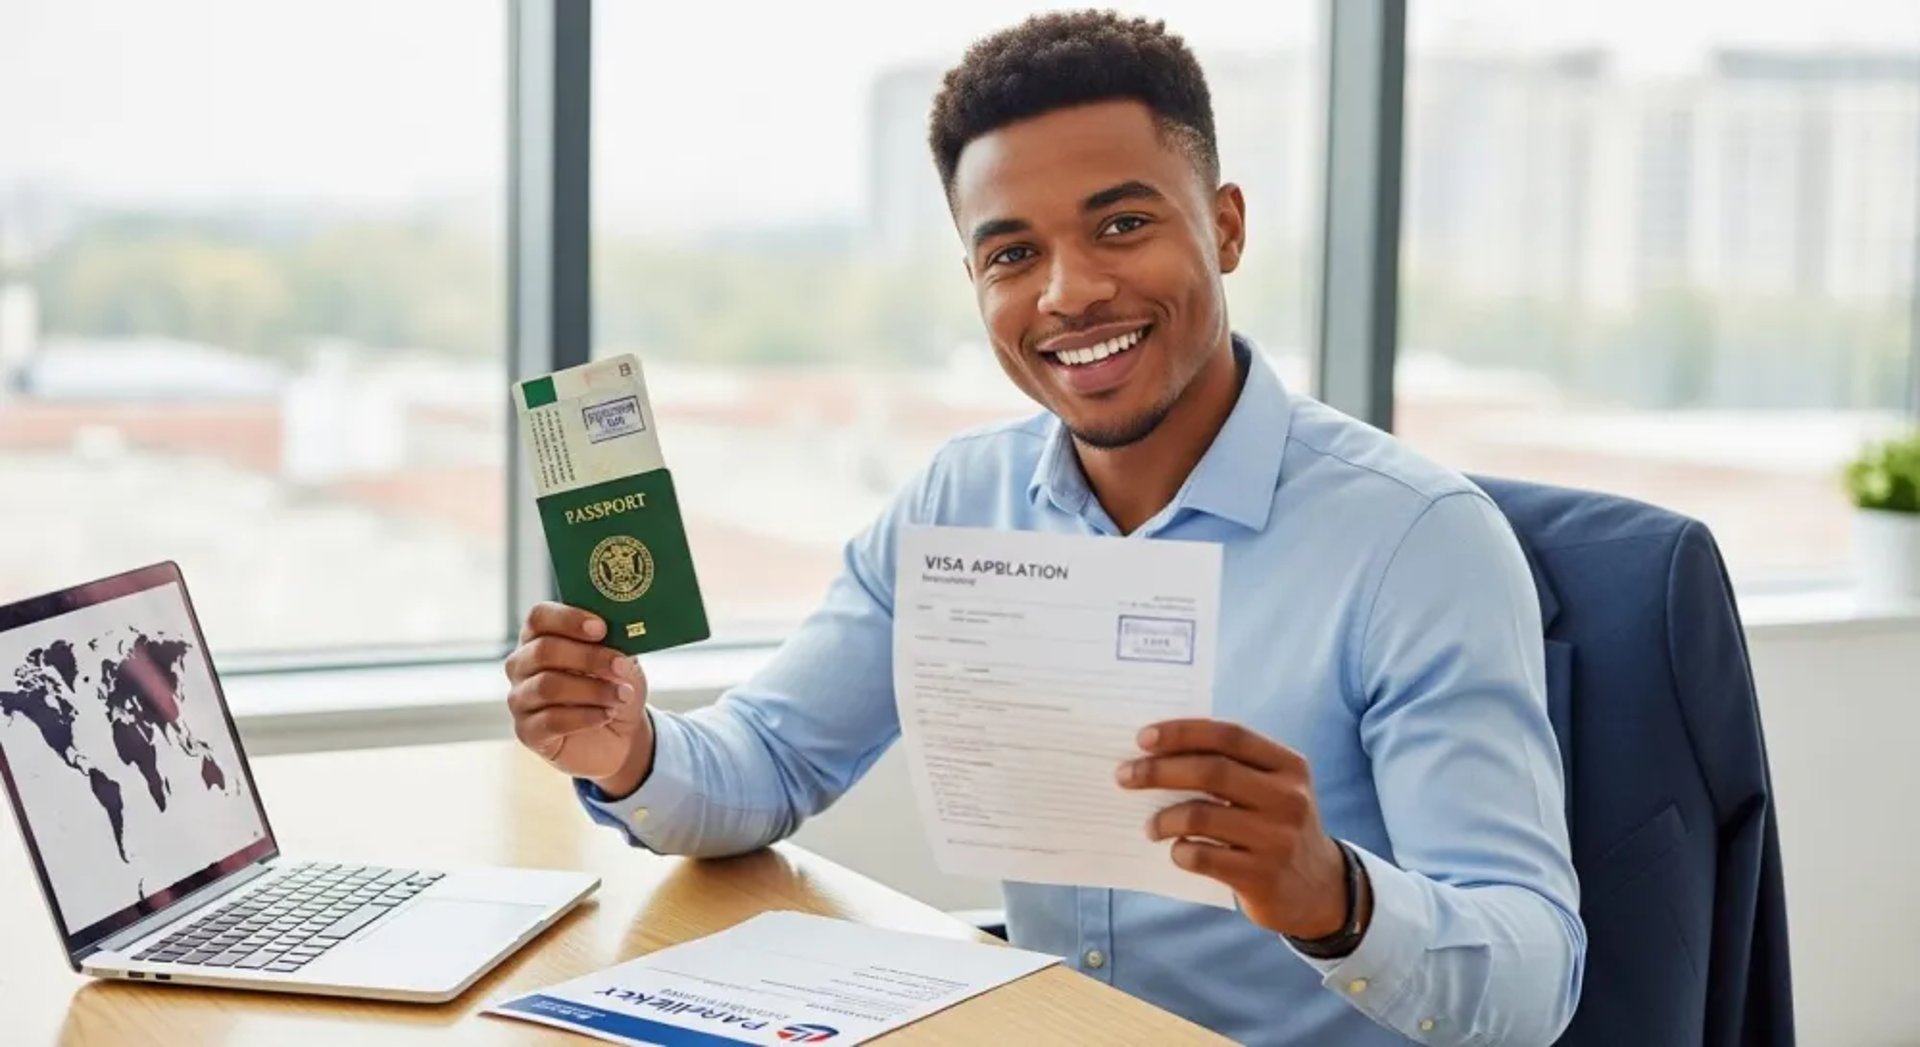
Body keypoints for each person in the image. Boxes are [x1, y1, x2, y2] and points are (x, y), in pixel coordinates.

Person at [503, 11, 1584, 1046]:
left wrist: (1331, 896)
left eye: (1123, 225)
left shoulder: (1419, 543)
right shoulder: (954, 502)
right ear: (976, 280)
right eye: (1013, 254)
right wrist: (632, 750)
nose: (1070, 292)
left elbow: (1537, 979)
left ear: (1226, 226)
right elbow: (770, 763)